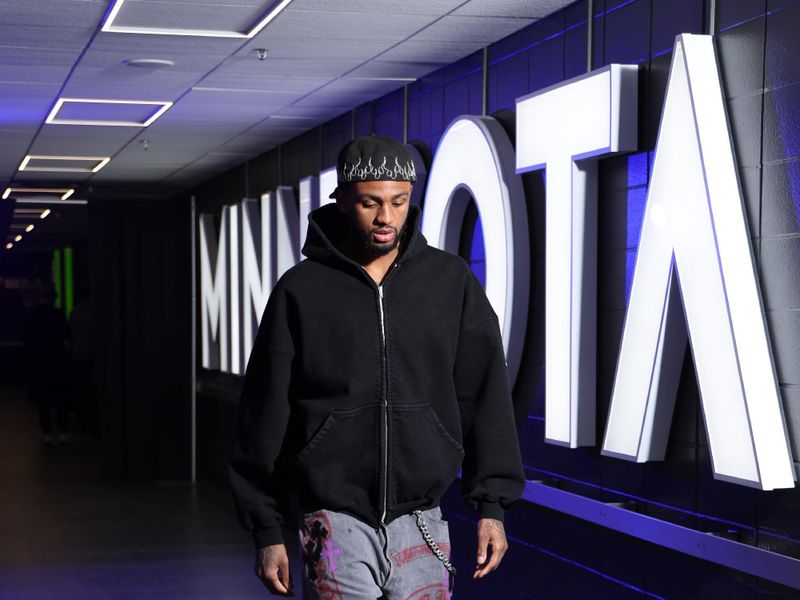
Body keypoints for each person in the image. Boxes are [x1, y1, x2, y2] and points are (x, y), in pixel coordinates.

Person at [229, 135, 524, 598]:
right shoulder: (301, 290)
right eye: (370, 203)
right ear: (342, 201)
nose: (386, 217)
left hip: (422, 519)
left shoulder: (450, 282)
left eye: (398, 201)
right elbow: (263, 412)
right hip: (332, 518)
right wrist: (266, 528)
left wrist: (492, 505)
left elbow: (484, 396)